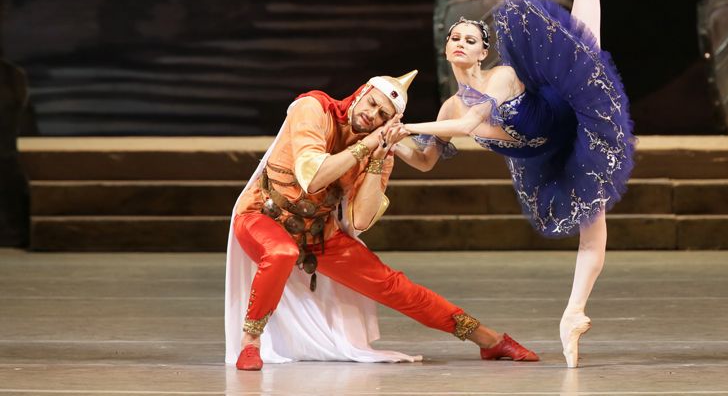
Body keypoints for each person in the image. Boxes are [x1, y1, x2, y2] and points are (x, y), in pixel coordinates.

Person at [394, 0, 634, 368]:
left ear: (483, 52)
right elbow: (427, 160)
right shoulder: (448, 110)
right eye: (454, 38)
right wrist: (388, 143)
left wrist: (408, 127)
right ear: (446, 48)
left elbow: (468, 127)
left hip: (567, 102)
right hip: (545, 153)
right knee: (588, 221)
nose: (460, 43)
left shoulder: (499, 79)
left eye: (470, 39)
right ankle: (574, 314)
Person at [224, 71, 538, 369]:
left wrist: (376, 159)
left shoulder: (378, 149)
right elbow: (314, 177)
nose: (372, 115)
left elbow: (361, 220)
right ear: (361, 93)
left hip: (317, 234)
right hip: (261, 215)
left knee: (394, 286)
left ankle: (489, 340)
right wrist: (366, 146)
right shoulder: (314, 108)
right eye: (372, 103)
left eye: (382, 115)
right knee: (281, 251)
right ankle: (250, 341)